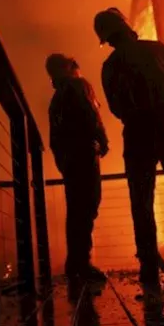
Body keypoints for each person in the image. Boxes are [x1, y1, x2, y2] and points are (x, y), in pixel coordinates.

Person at [93, 8, 164, 282]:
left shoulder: (110, 67)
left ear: (107, 39)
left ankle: (148, 264)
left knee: (141, 199)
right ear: (128, 29)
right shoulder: (156, 50)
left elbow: (116, 107)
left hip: (137, 131)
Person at [45, 53, 109, 282]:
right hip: (84, 154)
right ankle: (82, 263)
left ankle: (75, 262)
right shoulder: (79, 86)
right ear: (70, 67)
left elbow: (54, 137)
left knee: (75, 209)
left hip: (69, 161)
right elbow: (92, 114)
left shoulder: (56, 99)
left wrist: (62, 162)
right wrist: (103, 139)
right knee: (89, 205)